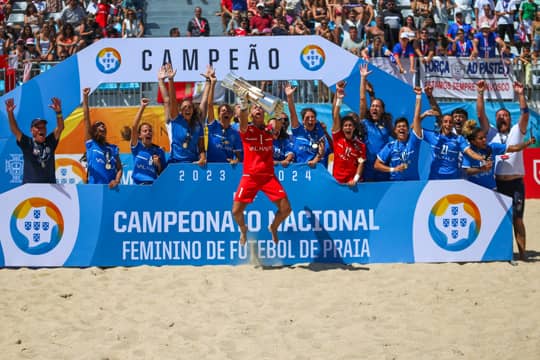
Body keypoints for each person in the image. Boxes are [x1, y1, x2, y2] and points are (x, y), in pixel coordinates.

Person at [477, 81, 533, 260]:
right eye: (499, 115)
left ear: (510, 119)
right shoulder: (490, 132)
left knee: (518, 218)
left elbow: (525, 114)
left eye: (505, 115)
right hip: (498, 183)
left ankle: (523, 254)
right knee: (499, 220)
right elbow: (480, 114)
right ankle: (502, 253)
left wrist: (521, 94)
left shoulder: (518, 130)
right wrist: (479, 93)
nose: (502, 117)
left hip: (516, 184)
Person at [231, 90, 292, 246]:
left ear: (264, 112)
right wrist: (244, 102)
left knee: (286, 209)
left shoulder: (269, 129)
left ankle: (273, 227)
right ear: (251, 114)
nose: (258, 109)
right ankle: (243, 229)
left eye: (260, 108)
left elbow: (277, 124)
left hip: (268, 176)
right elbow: (243, 121)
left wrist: (278, 113)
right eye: (255, 108)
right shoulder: (246, 130)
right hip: (250, 176)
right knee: (236, 211)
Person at [461, 119, 535, 190]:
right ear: (473, 141)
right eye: (480, 138)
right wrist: (481, 169)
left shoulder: (492, 147)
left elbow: (514, 148)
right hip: (473, 190)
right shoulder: (469, 152)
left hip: (491, 188)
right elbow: (466, 171)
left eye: (484, 137)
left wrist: (528, 142)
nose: (484, 140)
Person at [5, 97, 64, 184]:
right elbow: (15, 129)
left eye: (43, 127)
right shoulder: (28, 143)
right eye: (38, 127)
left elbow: (60, 127)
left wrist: (58, 112)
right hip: (30, 189)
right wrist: (10, 113)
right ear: (32, 131)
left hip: (50, 189)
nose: (41, 129)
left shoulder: (50, 141)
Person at [375, 86, 426, 181]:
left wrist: (418, 96)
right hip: (395, 186)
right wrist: (393, 169)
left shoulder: (414, 142)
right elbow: (377, 165)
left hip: (413, 184)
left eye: (404, 126)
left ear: (408, 129)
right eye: (399, 127)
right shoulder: (390, 146)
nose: (401, 128)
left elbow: (416, 118)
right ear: (395, 130)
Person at [164, 64, 208, 165]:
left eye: (189, 107)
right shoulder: (176, 119)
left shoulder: (198, 125)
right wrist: (170, 79)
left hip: (192, 163)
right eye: (184, 107)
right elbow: (172, 100)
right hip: (175, 162)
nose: (187, 109)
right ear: (180, 110)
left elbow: (201, 148)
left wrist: (202, 158)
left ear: (193, 109)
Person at [82, 87, 123, 187]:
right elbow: (86, 117)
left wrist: (116, 181)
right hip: (94, 188)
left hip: (111, 189)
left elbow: (119, 168)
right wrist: (85, 97)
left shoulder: (113, 148)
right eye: (98, 125)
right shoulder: (91, 144)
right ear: (93, 130)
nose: (102, 126)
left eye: (103, 125)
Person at [359, 63, 392, 181]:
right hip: (368, 168)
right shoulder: (365, 123)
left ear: (383, 110)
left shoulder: (387, 125)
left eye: (378, 107)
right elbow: (363, 100)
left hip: (383, 167)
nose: (374, 108)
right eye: (372, 106)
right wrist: (363, 78)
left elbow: (401, 136)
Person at [331, 81, 366, 186]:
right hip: (337, 182)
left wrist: (355, 179)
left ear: (354, 128)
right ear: (342, 128)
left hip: (352, 183)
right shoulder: (338, 138)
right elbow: (336, 115)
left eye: (350, 125)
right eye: (345, 125)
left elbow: (361, 163)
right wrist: (339, 98)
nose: (348, 127)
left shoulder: (360, 145)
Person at [205, 68, 243, 164]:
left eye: (228, 111)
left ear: (232, 115)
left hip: (227, 169)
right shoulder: (213, 126)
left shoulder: (235, 133)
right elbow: (209, 105)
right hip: (211, 167)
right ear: (218, 115)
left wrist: (235, 161)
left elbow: (239, 157)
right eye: (223, 111)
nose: (226, 112)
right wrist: (212, 83)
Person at [285, 83, 326, 168]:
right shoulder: (298, 130)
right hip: (298, 167)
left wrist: (314, 161)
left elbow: (321, 150)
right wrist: (289, 97)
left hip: (313, 167)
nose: (310, 119)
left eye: (313, 117)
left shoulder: (318, 130)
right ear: (303, 121)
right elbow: (292, 113)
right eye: (307, 117)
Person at [130, 97, 167, 185]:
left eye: (150, 131)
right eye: (145, 131)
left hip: (152, 187)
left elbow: (164, 174)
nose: (148, 133)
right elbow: (134, 127)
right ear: (140, 135)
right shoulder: (137, 147)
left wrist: (158, 164)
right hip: (138, 186)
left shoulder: (159, 151)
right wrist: (142, 107)